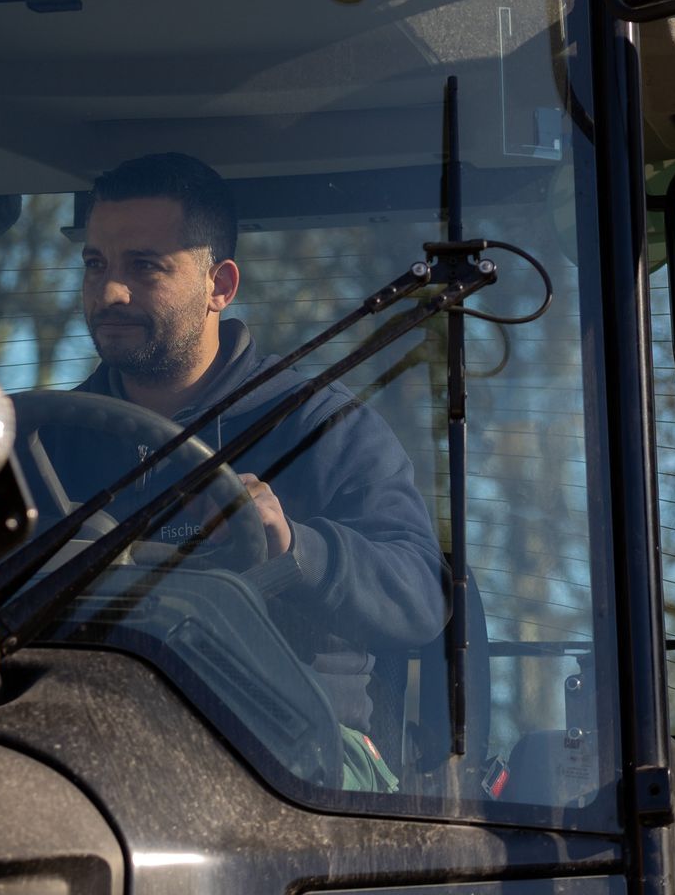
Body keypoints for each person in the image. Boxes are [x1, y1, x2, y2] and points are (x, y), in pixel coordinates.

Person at [43, 152, 447, 738]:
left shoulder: (321, 427)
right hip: (80, 736)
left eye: (144, 267)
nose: (110, 292)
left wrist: (295, 548)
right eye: (95, 263)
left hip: (288, 761)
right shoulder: (44, 442)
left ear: (220, 286)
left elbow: (421, 594)